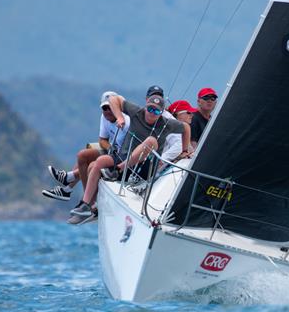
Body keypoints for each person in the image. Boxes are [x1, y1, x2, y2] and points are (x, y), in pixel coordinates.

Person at [69, 94, 191, 224]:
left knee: (151, 140)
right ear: (145, 107)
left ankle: (118, 169)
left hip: (144, 168)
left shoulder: (167, 124)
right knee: (98, 162)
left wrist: (185, 150)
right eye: (150, 109)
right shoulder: (136, 112)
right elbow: (113, 99)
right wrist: (120, 116)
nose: (152, 113)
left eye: (156, 111)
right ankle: (86, 205)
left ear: (161, 113)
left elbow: (186, 128)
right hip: (122, 158)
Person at [43, 86, 163, 201]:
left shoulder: (127, 122)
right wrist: (109, 147)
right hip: (114, 150)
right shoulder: (104, 117)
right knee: (83, 154)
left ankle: (73, 184)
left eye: (110, 108)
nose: (107, 111)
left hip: (125, 158)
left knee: (92, 163)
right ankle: (68, 189)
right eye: (104, 108)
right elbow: (102, 140)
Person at [160, 99, 198, 166]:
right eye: (188, 112)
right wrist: (161, 161)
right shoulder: (171, 128)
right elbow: (179, 146)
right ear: (178, 114)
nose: (192, 115)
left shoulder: (183, 131)